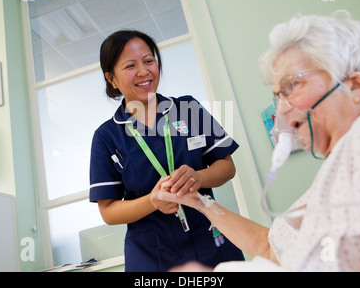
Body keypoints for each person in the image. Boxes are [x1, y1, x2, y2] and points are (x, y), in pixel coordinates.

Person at [152, 11, 360, 271]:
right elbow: (269, 248)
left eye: (292, 86)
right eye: (277, 96)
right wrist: (200, 202)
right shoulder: (335, 175)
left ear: (353, 86)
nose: (280, 110)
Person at [89, 30, 244, 272]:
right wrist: (153, 200)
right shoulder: (106, 137)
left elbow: (227, 166)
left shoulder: (188, 108)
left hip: (212, 239)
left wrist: (198, 177)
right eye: (130, 66)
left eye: (149, 61)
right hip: (153, 256)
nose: (143, 72)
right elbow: (108, 211)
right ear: (112, 79)